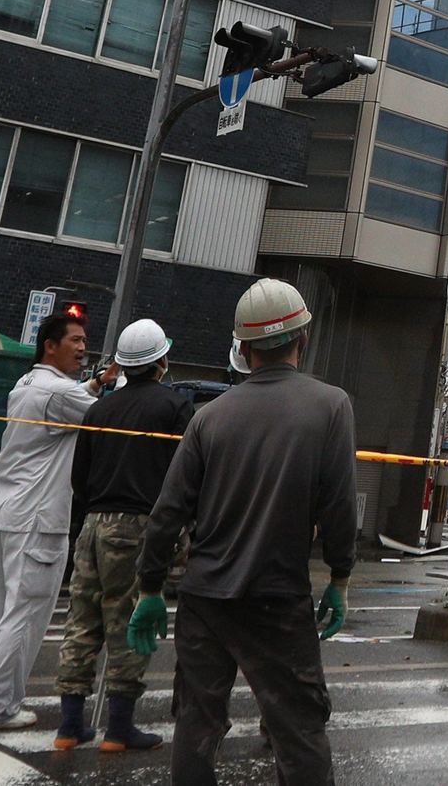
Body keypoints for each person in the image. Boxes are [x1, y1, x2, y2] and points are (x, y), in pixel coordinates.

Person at [129, 280, 356, 786]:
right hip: (278, 598)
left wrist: (149, 588)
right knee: (299, 731)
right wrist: (340, 575)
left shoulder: (209, 417)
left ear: (243, 347)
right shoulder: (331, 406)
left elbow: (168, 512)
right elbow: (339, 504)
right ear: (303, 336)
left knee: (196, 726)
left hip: (204, 598)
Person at [52, 318, 193, 752]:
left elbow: (80, 477)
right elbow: (186, 473)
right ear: (160, 361)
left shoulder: (100, 409)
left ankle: (69, 726)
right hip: (139, 525)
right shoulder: (174, 407)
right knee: (129, 619)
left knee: (82, 620)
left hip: (92, 524)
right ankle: (119, 727)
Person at [0, 310, 116, 731]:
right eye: (73, 340)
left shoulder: (27, 385)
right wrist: (117, 387)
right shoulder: (60, 394)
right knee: (26, 612)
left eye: (82, 340)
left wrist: (96, 382)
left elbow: (72, 401)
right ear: (49, 346)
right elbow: (102, 417)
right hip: (37, 519)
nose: (81, 347)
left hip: (4, 510)